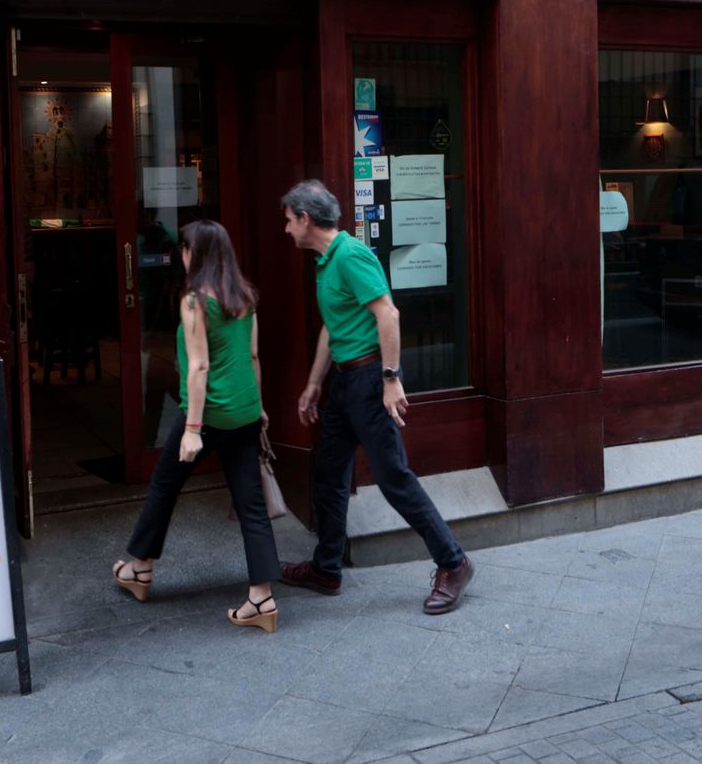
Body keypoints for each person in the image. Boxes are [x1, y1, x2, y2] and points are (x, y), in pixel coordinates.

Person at [276, 180, 474, 614]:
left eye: (289, 221)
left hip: (369, 379)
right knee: (328, 477)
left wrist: (389, 379)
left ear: (306, 219)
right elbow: (334, 326)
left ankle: (454, 563)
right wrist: (313, 384)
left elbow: (388, 313)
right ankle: (326, 568)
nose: (287, 230)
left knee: (393, 479)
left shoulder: (351, 255)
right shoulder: (326, 262)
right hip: (345, 383)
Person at [111, 219, 280, 632]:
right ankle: (262, 598)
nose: (179, 256)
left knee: (165, 486)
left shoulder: (194, 302)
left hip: (208, 415)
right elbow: (254, 358)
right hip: (243, 411)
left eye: (183, 249)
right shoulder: (245, 296)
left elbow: (200, 366)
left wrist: (191, 428)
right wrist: (257, 408)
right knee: (251, 505)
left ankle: (140, 569)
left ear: (194, 253)